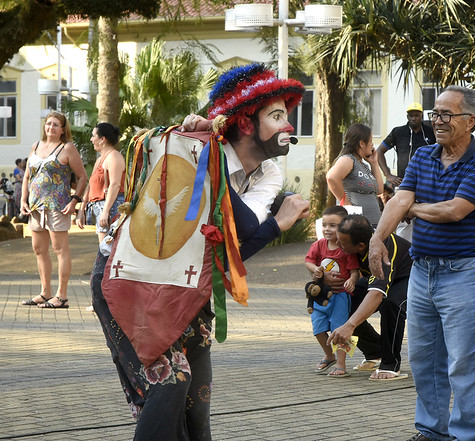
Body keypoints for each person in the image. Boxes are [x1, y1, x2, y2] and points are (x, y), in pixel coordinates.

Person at [91, 63, 310, 441]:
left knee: (197, 405)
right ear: (244, 123)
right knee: (170, 382)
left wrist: (269, 224)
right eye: (277, 116)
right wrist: (278, 225)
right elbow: (246, 230)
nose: (288, 127)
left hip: (189, 289)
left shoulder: (267, 173)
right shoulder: (193, 148)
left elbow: (238, 240)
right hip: (129, 280)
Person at [365, 86, 475, 441]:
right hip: (422, 272)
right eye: (434, 113)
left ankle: (468, 435)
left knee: (463, 364)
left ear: (470, 121)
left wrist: (411, 208)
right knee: (424, 361)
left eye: (445, 114)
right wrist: (378, 239)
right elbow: (398, 201)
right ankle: (431, 431)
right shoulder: (423, 156)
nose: (436, 120)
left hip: (463, 274)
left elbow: (454, 211)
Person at [328, 214, 412, 381]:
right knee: (347, 299)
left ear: (360, 246)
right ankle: (375, 352)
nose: (337, 245)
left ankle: (390, 364)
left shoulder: (381, 251)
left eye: (342, 243)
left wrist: (350, 325)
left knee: (391, 304)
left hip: (412, 277)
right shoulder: (355, 242)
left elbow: (376, 294)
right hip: (386, 279)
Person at [20, 110, 88, 309]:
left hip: (58, 207)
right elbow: (27, 177)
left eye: (55, 125)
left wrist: (75, 201)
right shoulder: (35, 146)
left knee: (60, 249)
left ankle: (62, 295)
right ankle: (45, 292)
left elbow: (82, 176)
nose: (50, 127)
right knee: (39, 249)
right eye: (48, 123)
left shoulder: (67, 148)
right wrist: (24, 199)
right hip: (35, 206)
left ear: (62, 130)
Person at [304, 205, 359, 378]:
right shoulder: (319, 245)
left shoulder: (346, 248)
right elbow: (308, 261)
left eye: (333, 225)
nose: (328, 229)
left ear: (344, 227)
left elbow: (354, 270)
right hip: (321, 295)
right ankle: (329, 355)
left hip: (340, 296)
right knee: (318, 326)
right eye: (325, 225)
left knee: (339, 328)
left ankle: (341, 364)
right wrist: (316, 270)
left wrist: (352, 280)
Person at [76, 123, 126, 243]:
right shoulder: (100, 160)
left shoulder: (114, 156)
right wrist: (81, 210)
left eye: (94, 136)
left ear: (102, 139)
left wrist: (105, 211)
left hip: (111, 207)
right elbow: (90, 185)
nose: (91, 139)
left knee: (108, 251)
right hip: (101, 207)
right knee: (105, 249)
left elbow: (115, 184)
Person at [326, 123, 384, 227]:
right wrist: (346, 203)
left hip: (372, 225)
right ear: (362, 143)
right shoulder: (348, 159)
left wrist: (374, 163)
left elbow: (379, 190)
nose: (372, 144)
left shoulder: (363, 165)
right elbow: (332, 177)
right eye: (370, 141)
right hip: (356, 226)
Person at [377, 102, 435, 188]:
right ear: (407, 117)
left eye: (416, 115)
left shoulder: (431, 132)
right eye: (411, 116)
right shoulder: (398, 132)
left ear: (421, 116)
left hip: (426, 182)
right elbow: (379, 151)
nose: (413, 118)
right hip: (403, 182)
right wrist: (388, 175)